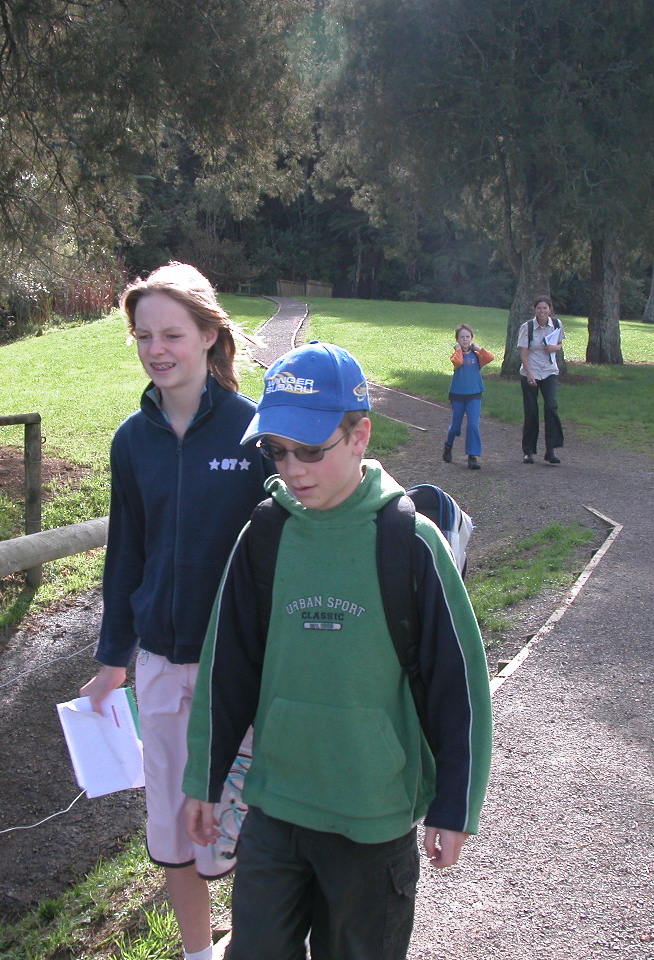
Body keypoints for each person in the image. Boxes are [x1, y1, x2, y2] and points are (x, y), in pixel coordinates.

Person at [181, 341, 493, 960]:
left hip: (372, 820)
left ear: (360, 436)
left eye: (311, 450)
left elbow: (458, 686)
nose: (293, 469)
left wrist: (456, 806)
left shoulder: (409, 541)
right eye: (279, 451)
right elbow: (227, 669)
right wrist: (203, 776)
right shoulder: (264, 536)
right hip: (276, 807)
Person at [80, 262, 271, 960]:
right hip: (162, 666)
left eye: (172, 334)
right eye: (143, 336)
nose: (157, 350)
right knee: (173, 836)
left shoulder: (256, 432)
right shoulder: (132, 441)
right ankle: (198, 955)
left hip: (244, 671)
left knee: (251, 830)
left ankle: (259, 946)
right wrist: (112, 661)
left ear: (209, 334)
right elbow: (126, 555)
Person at [517, 296, 565, 464]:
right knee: (531, 411)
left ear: (550, 309)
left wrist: (555, 348)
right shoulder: (528, 327)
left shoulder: (557, 324)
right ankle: (528, 451)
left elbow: (559, 344)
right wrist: (529, 374)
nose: (542, 311)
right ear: (535, 310)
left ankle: (551, 450)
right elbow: (523, 352)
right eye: (539, 308)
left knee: (551, 406)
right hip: (531, 371)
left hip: (549, 371)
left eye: (545, 308)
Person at [442, 323, 495, 470]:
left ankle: (472, 455)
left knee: (473, 425)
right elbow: (457, 362)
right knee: (455, 426)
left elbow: (490, 357)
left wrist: (478, 348)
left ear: (471, 338)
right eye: (462, 337)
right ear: (457, 340)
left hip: (474, 394)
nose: (465, 340)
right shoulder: (456, 355)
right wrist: (458, 350)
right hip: (458, 394)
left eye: (467, 337)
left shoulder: (477, 356)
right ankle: (449, 444)